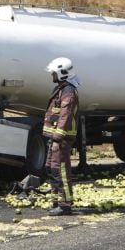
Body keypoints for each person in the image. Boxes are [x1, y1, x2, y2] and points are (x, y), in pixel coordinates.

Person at [43, 57, 81, 215]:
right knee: (52, 169)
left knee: (61, 170)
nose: (52, 76)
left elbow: (65, 114)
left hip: (62, 138)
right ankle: (56, 201)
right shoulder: (62, 89)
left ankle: (65, 205)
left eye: (53, 73)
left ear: (62, 73)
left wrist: (58, 136)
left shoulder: (68, 91)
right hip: (56, 138)